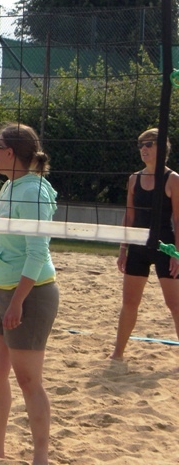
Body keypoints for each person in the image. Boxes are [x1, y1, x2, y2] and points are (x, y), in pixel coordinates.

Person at [0, 123, 59, 465]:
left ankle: (41, 457)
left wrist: (17, 301)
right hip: (1, 290)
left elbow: (37, 253)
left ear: (10, 151)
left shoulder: (33, 192)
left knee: (28, 378)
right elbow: (5, 247)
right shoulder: (9, 186)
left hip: (31, 293)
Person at [111, 128, 179, 360]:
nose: (144, 148)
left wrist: (176, 254)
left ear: (162, 148)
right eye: (141, 145)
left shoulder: (173, 179)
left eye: (149, 144)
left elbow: (178, 219)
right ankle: (117, 353)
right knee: (129, 303)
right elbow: (129, 217)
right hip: (138, 247)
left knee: (174, 304)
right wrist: (123, 249)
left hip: (165, 247)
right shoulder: (134, 179)